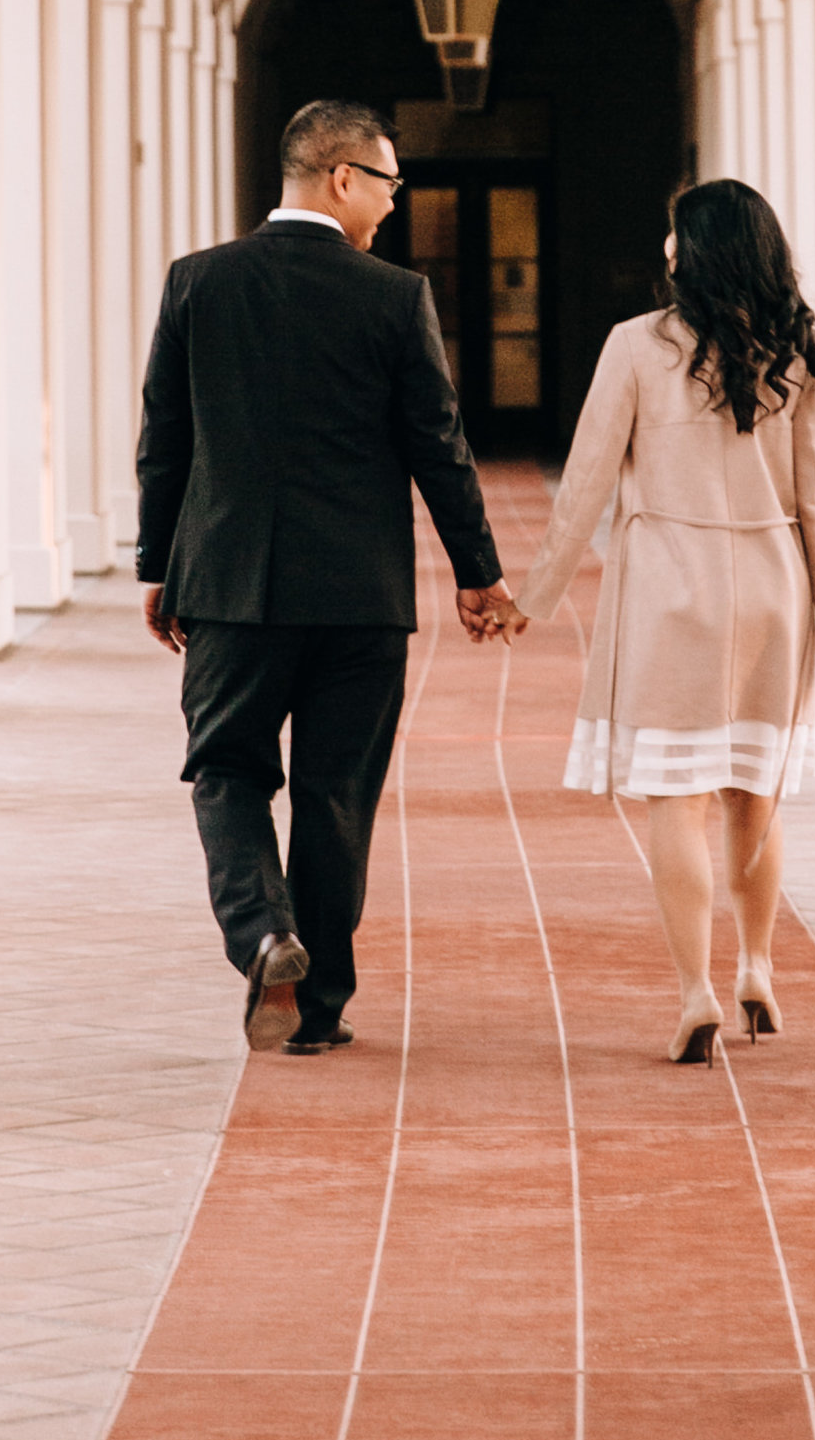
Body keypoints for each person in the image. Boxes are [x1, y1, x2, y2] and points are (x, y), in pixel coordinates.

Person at [136, 97, 524, 1053]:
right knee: (335, 795)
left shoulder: (198, 284)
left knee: (226, 770)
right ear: (343, 177)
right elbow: (440, 444)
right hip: (361, 597)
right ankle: (319, 1011)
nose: (395, 204)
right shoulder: (394, 298)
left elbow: (165, 441)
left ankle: (264, 933)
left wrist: (158, 564)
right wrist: (478, 572)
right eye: (390, 183)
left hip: (229, 588)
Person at [511, 178, 815, 1065]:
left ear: (690, 250)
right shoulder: (795, 355)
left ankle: (694, 991)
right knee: (756, 791)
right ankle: (756, 967)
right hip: (777, 591)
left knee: (678, 797)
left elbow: (587, 476)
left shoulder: (636, 346)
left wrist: (534, 596)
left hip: (673, 594)